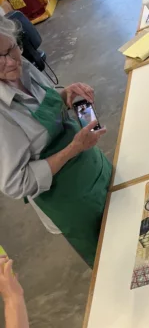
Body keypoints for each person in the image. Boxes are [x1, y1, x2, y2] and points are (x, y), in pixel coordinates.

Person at [0, 17, 111, 267]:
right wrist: (73, 148)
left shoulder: (23, 65)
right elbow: (17, 183)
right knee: (114, 256)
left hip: (92, 164)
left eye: (10, 49)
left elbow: (47, 103)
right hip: (69, 200)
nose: (10, 61)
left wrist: (67, 94)